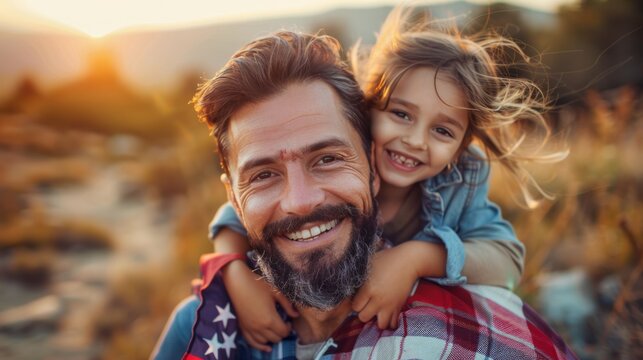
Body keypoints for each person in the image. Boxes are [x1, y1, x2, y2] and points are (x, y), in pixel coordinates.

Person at [152, 26, 576, 359]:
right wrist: (233, 270)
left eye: (327, 159)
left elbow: (505, 258)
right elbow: (233, 214)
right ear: (372, 120)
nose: (414, 141)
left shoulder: (457, 195)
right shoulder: (204, 325)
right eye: (263, 175)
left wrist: (415, 259)